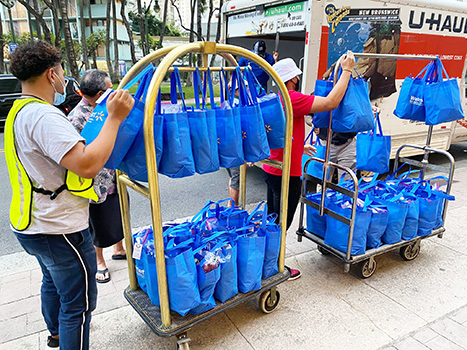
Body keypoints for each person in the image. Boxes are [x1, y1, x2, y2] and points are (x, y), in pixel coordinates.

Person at [5, 41, 133, 350]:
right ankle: (66, 338)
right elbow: (87, 164)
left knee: (53, 283)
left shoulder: (20, 111)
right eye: (62, 72)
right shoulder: (44, 117)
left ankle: (56, 336)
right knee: (78, 306)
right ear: (51, 75)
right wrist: (114, 118)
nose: (64, 79)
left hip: (33, 224)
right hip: (58, 228)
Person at [263, 53, 356, 280]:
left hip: (272, 168)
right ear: (293, 79)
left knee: (273, 220)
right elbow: (331, 102)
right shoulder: (291, 98)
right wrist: (346, 71)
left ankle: (266, 262)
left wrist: (297, 148)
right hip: (287, 174)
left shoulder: (274, 98)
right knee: (281, 224)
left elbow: (277, 133)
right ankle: (274, 268)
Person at [68, 69, 127, 284]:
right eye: (110, 89)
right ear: (100, 93)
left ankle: (119, 248)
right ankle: (99, 261)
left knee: (117, 213)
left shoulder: (104, 109)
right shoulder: (77, 119)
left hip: (113, 175)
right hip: (93, 183)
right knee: (97, 222)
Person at [228, 41, 279, 204]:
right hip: (241, 132)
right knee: (236, 175)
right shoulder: (245, 58)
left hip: (258, 96)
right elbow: (235, 69)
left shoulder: (269, 58)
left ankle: (232, 206)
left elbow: (274, 72)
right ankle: (232, 206)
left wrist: (275, 61)